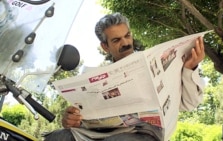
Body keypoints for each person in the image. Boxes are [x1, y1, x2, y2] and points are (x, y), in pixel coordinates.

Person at [44, 12, 205, 141]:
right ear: (105, 46)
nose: (126, 43)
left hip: (144, 135)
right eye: (117, 40)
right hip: (97, 134)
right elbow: (81, 118)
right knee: (56, 137)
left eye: (127, 36)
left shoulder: (154, 63)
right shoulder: (94, 77)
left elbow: (189, 104)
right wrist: (72, 119)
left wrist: (190, 68)